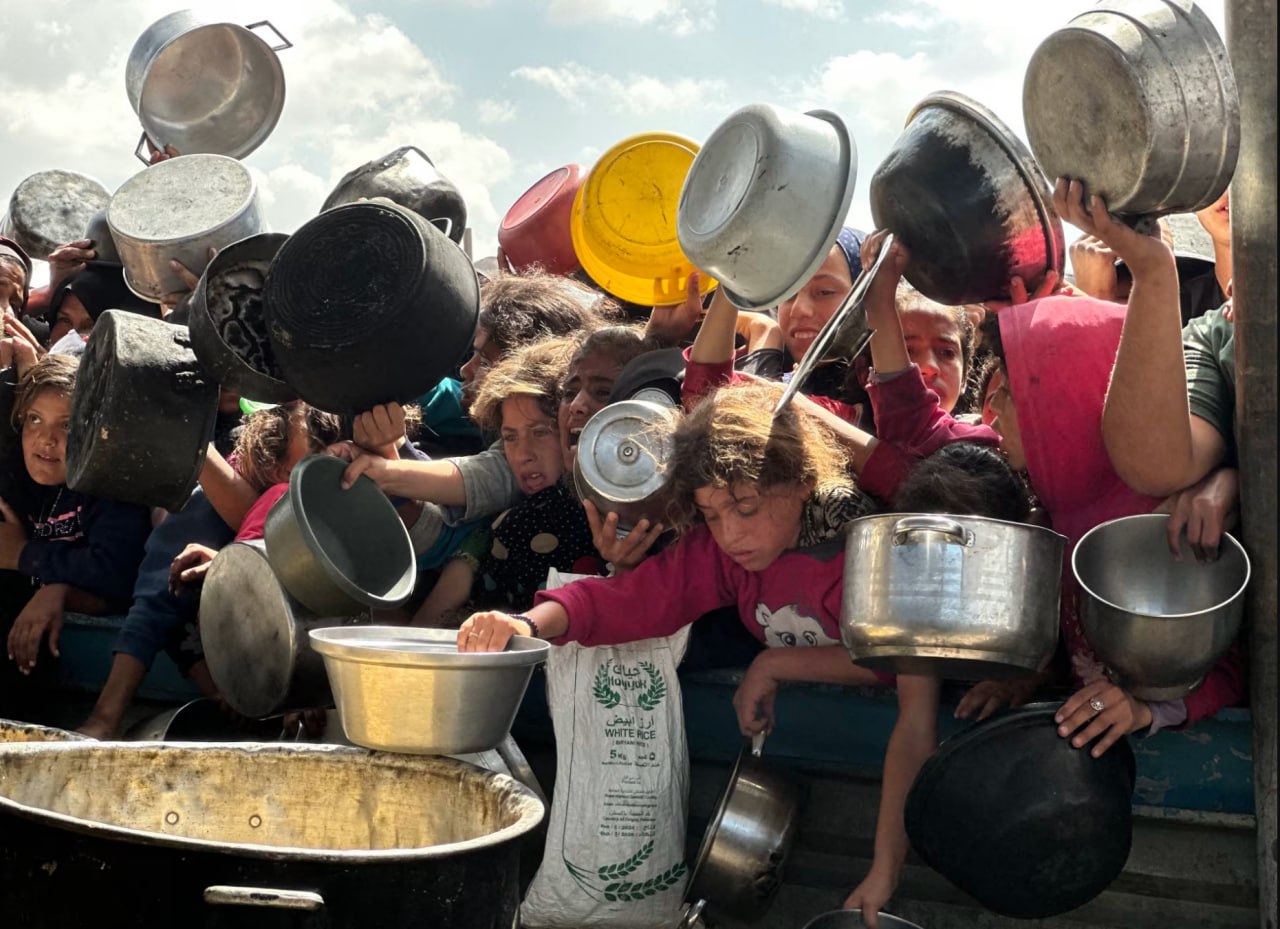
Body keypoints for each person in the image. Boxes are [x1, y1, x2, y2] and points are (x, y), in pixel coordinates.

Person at [455, 379, 938, 927]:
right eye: (711, 515)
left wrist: (884, 869)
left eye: (746, 508)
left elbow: (909, 689)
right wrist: (525, 624)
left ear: (803, 482)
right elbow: (635, 599)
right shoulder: (725, 553)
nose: (730, 534)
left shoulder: (873, 554)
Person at [963, 177, 1244, 753]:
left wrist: (1148, 710)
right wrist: (1029, 677)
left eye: (1020, 393)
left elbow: (1233, 667)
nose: (994, 412)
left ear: (1067, 407)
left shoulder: (1168, 525)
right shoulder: (1052, 520)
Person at [76, 401, 342, 739]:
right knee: (175, 584)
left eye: (335, 441)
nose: (334, 454)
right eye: (317, 447)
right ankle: (108, 716)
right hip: (248, 646)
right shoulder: (273, 497)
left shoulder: (333, 493)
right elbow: (240, 592)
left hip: (274, 653)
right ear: (279, 470)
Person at [0, 355, 152, 718]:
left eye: (67, 425)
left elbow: (117, 572)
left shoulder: (111, 485)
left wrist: (28, 559)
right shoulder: (15, 479)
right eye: (34, 419)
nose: (46, 439)